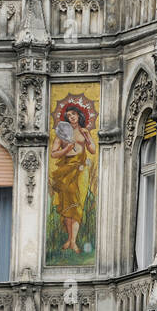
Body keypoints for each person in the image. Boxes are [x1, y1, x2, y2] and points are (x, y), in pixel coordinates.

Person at [50, 103, 97, 253]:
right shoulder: (61, 134)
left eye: (74, 114)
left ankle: (74, 241)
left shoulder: (84, 132)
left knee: (78, 204)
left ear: (79, 116)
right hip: (66, 171)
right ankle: (69, 239)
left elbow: (93, 150)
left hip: (81, 170)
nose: (72, 117)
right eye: (69, 115)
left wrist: (88, 138)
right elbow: (53, 153)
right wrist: (66, 149)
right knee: (67, 206)